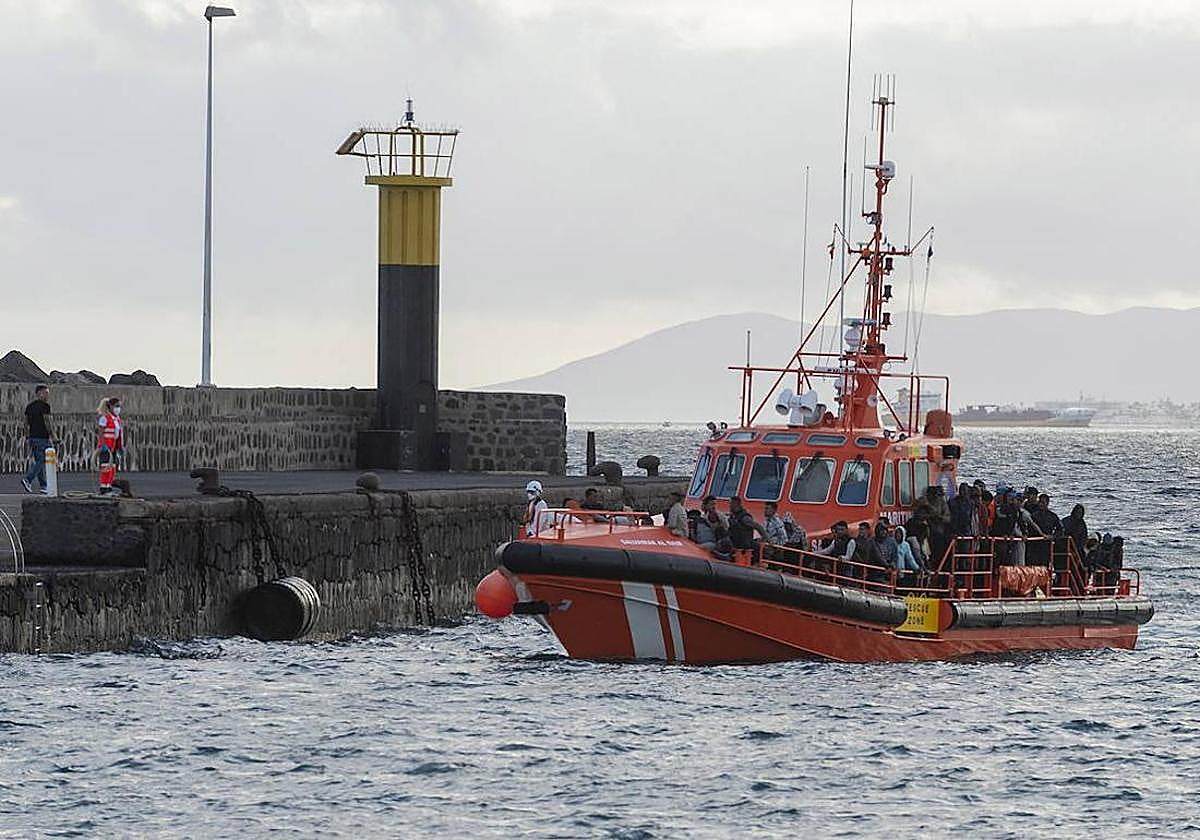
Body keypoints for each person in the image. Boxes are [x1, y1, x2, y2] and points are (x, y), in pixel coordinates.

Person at [22, 384, 56, 494]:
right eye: (46, 393)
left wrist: (27, 437)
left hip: (33, 437)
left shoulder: (29, 407)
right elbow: (48, 422)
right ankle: (28, 479)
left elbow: (25, 424)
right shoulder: (45, 406)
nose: (47, 396)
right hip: (42, 437)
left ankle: (43, 486)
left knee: (39, 461)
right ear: (39, 393)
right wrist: (53, 436)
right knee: (43, 460)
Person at [96, 396, 124, 496]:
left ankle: (108, 486)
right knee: (106, 467)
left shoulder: (116, 419)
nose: (118, 408)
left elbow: (118, 433)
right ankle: (103, 488)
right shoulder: (105, 418)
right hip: (106, 446)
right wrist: (103, 445)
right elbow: (101, 432)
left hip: (114, 446)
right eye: (116, 406)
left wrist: (120, 446)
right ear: (111, 406)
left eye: (119, 406)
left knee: (112, 467)